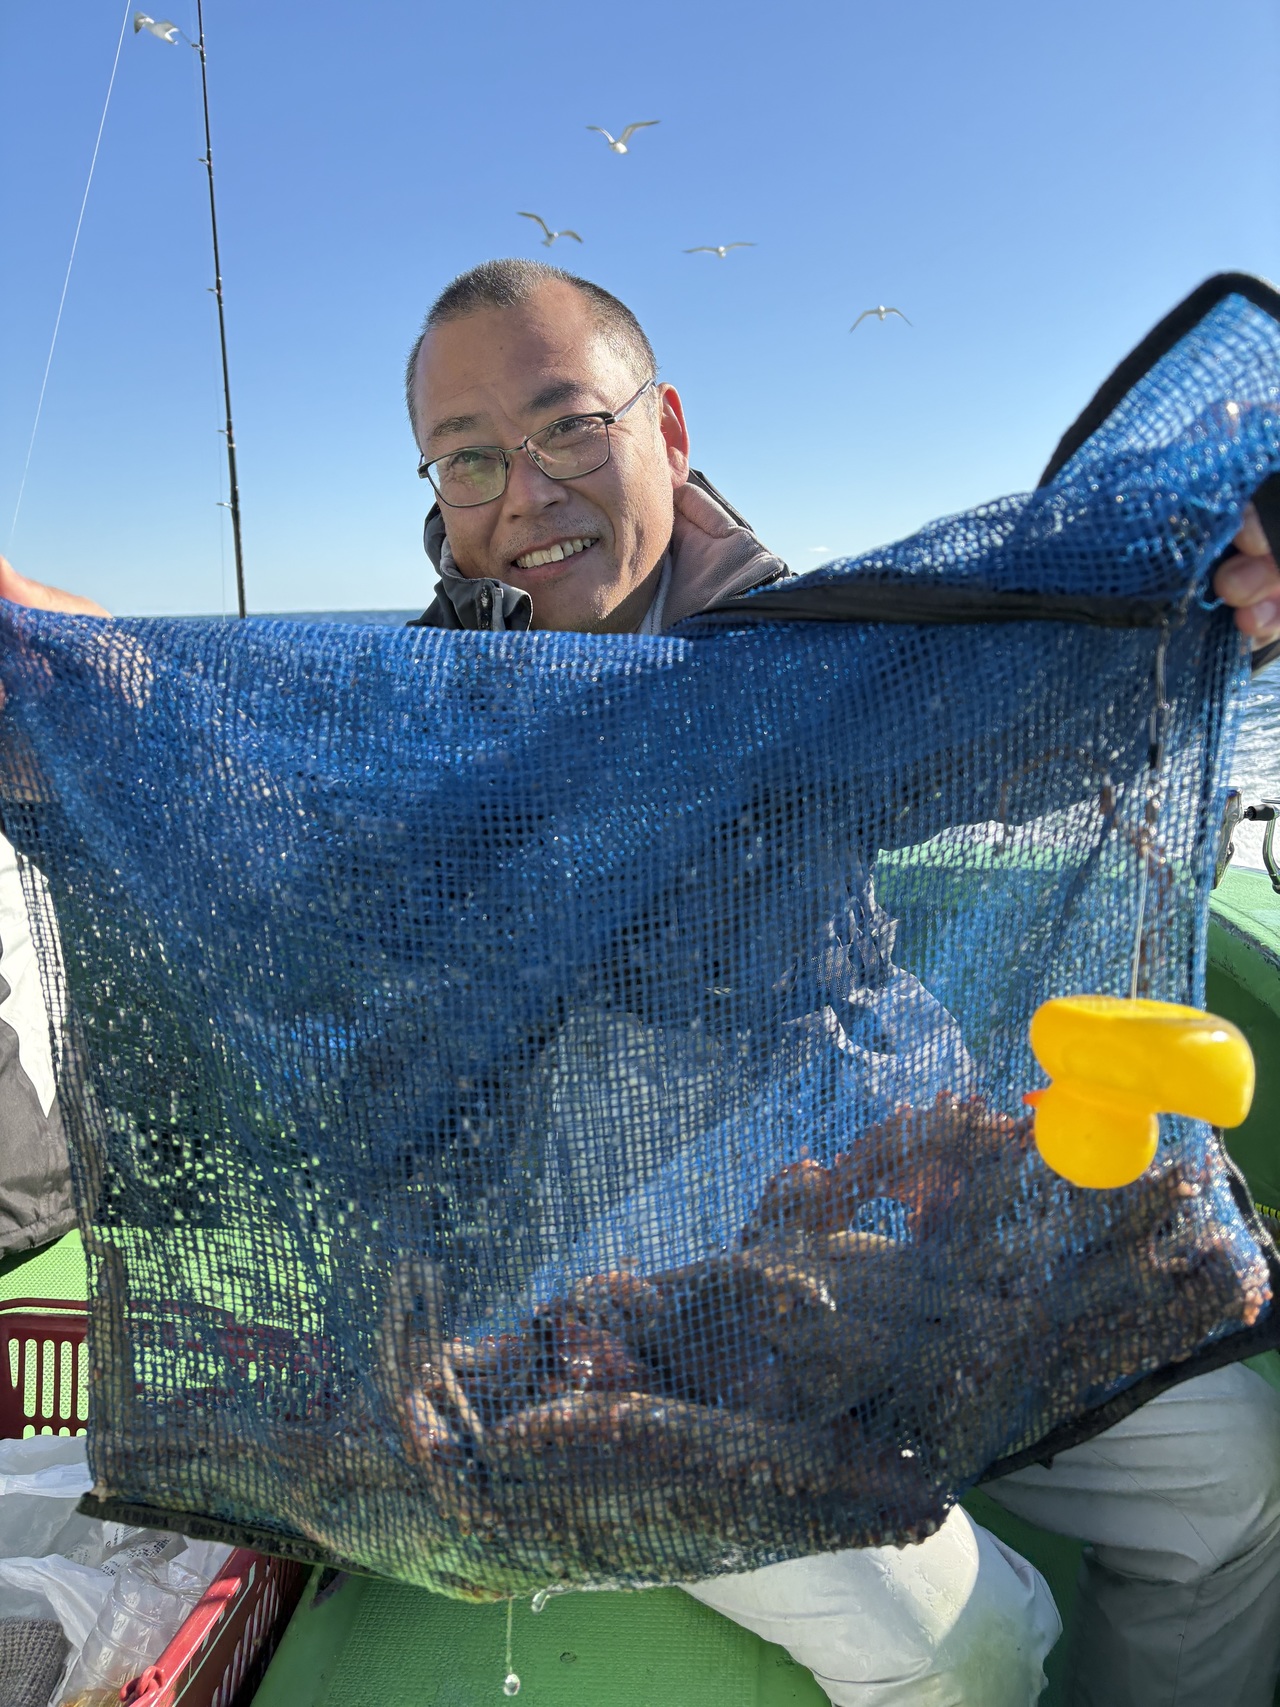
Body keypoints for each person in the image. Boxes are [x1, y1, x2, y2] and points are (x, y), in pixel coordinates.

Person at [4, 257, 1280, 1705]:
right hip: (628, 1316)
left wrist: (1216, 564)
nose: (525, 495)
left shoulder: (819, 664)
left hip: (884, 1209)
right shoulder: (411, 738)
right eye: (469, 458)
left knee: (1236, 1493)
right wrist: (72, 678)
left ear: (665, 429)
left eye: (569, 429)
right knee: (969, 1640)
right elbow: (223, 765)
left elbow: (1043, 681)